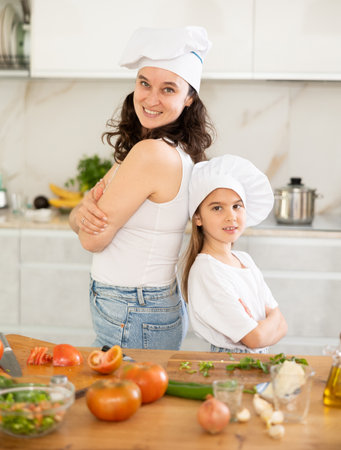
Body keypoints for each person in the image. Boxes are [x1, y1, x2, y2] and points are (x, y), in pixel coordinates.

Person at [69, 26, 215, 350]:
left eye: (168, 89)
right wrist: (81, 212)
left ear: (189, 97)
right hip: (141, 305)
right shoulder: (168, 148)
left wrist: (83, 213)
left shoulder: (151, 154)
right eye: (144, 83)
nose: (150, 98)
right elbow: (77, 214)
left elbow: (91, 238)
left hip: (132, 308)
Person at [181, 154, 287, 353]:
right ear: (198, 217)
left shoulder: (244, 260)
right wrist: (269, 321)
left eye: (237, 206)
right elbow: (255, 339)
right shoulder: (207, 271)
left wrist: (266, 323)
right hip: (229, 367)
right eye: (217, 208)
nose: (231, 216)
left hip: (256, 362)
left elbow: (283, 325)